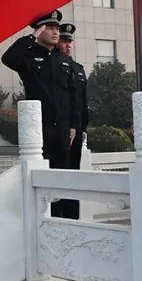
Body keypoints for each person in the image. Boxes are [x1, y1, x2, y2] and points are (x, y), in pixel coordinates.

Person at [1, 10, 79, 218]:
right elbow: (8, 58)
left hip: (62, 129)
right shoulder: (27, 56)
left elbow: (73, 95)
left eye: (57, 28)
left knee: (63, 178)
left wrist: (73, 125)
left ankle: (61, 220)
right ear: (40, 29)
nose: (55, 32)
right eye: (50, 28)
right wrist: (31, 37)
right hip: (39, 129)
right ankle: (40, 220)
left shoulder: (64, 59)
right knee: (41, 178)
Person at [56, 23, 88, 220]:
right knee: (62, 174)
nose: (68, 45)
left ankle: (73, 218)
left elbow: (82, 102)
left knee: (75, 175)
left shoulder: (78, 69)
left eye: (70, 42)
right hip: (62, 129)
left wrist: (83, 126)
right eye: (64, 41)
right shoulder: (55, 66)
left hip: (77, 130)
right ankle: (60, 217)